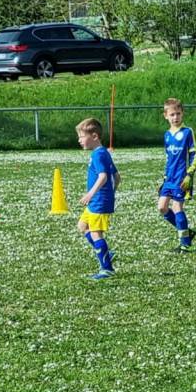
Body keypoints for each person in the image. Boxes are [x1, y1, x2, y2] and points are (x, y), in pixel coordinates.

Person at [76, 118, 121, 280]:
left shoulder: (98, 155)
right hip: (99, 200)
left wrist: (91, 194)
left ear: (94, 136)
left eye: (82, 136)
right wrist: (111, 193)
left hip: (98, 201)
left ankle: (107, 269)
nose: (79, 140)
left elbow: (103, 177)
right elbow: (117, 176)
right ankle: (106, 253)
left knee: (96, 234)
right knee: (82, 226)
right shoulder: (103, 152)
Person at [158, 98, 196, 252]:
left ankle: (185, 244)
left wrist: (189, 175)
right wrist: (164, 178)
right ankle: (187, 232)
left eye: (178, 114)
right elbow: (168, 158)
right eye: (172, 114)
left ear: (182, 113)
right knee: (162, 208)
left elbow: (194, 154)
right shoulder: (167, 135)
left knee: (176, 207)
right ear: (165, 116)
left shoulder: (187, 132)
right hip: (169, 178)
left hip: (182, 178)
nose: (176, 117)